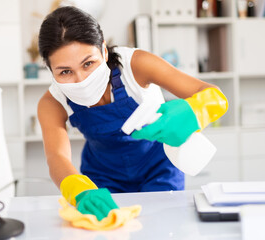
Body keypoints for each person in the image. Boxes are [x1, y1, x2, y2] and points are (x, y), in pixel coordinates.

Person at [37, 6, 228, 221]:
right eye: (65, 71)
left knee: (164, 227)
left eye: (88, 63)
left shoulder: (135, 65)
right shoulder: (52, 102)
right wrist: (78, 189)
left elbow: (214, 96)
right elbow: (57, 156)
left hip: (159, 168)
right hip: (101, 177)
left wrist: (193, 111)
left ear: (104, 50)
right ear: (50, 70)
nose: (81, 80)